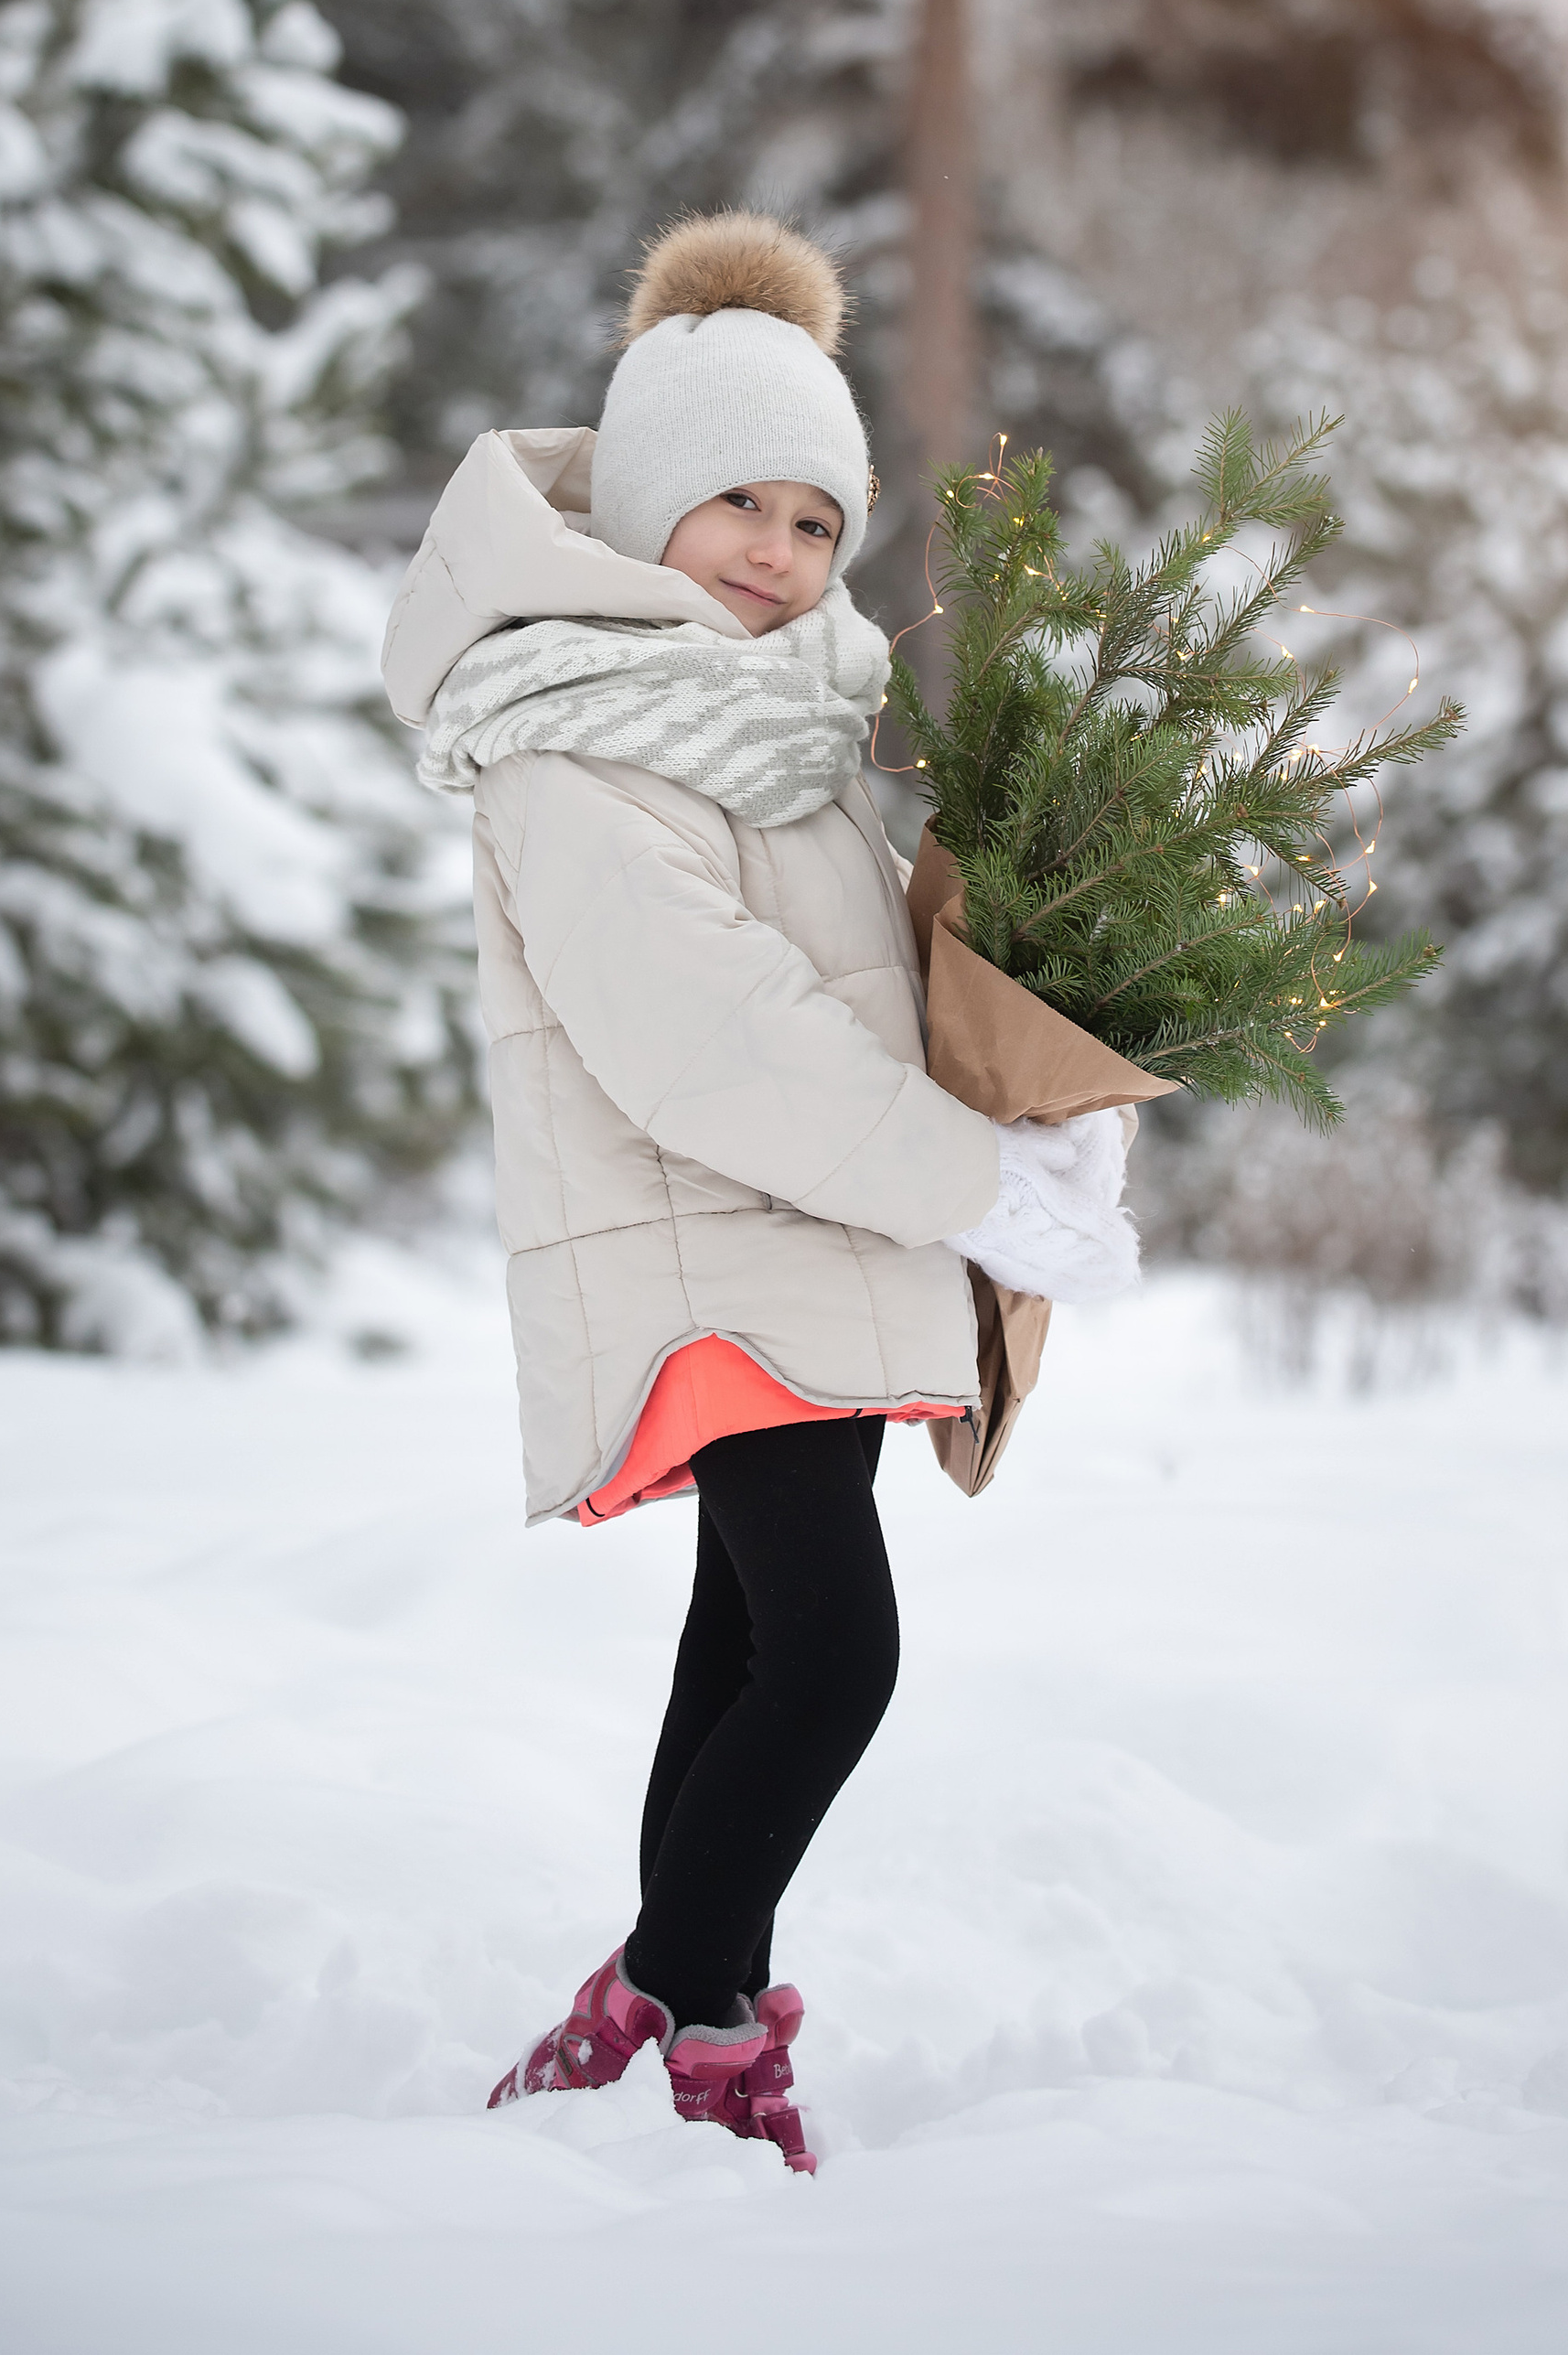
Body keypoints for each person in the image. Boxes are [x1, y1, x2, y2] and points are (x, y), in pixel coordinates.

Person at [381, 209, 1137, 2175]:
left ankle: (682, 2015)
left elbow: (865, 988)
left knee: (740, 1643)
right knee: (830, 1654)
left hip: (810, 1232)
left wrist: (1042, 1100)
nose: (776, 552)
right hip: (707, 1241)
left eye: (816, 520)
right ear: (647, 500)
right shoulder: (574, 735)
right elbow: (711, 1038)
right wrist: (972, 1184)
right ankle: (674, 2008)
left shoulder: (784, 725)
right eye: (737, 502)